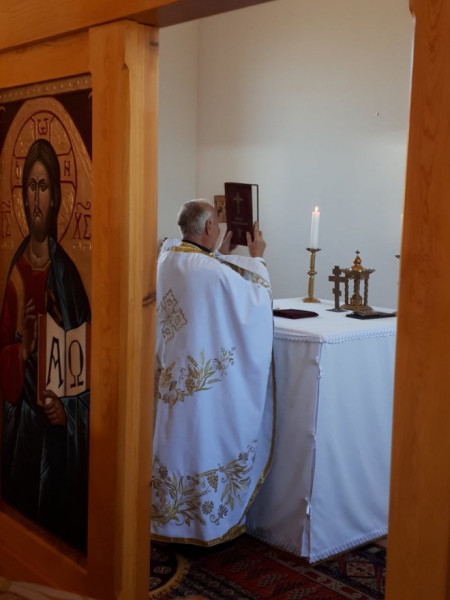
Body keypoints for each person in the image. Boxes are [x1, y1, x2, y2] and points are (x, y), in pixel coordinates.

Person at [152, 199, 274, 545]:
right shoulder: (209, 271)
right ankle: (200, 527)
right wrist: (257, 258)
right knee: (199, 443)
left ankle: (165, 521)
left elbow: (204, 274)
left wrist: (220, 253)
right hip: (199, 388)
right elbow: (256, 300)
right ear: (208, 227)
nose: (218, 227)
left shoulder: (166, 257)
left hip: (170, 376)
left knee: (171, 443)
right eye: (217, 223)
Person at [0, 138, 91, 551]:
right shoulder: (15, 275)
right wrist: (22, 351)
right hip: (22, 431)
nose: (36, 199)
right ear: (22, 197)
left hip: (56, 439)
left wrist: (67, 409)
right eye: (30, 188)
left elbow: (87, 362)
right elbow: (2, 352)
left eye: (43, 187)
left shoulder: (68, 277)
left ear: (56, 198)